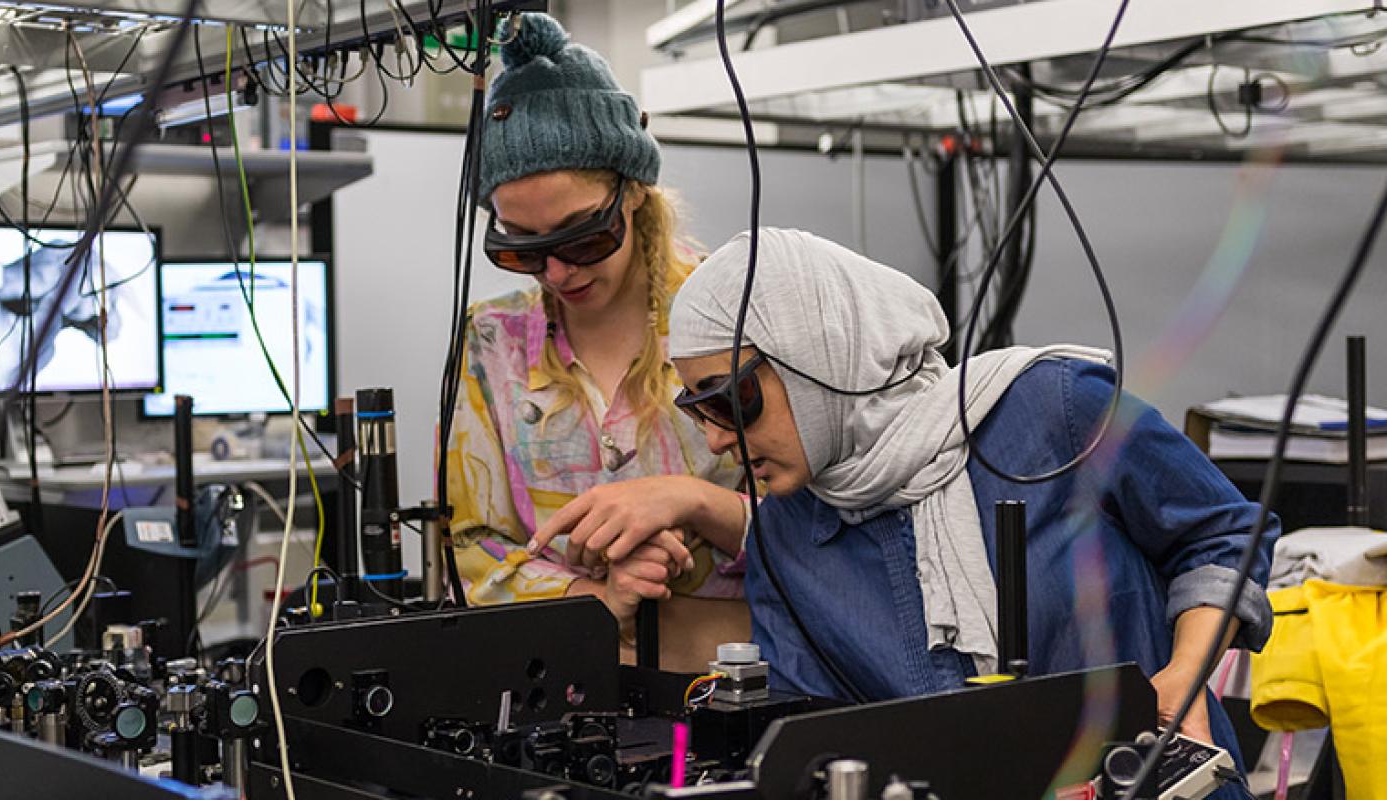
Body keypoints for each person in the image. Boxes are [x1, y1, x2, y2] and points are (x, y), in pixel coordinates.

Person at [534, 228, 1275, 794]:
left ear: (815, 356)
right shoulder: (790, 533)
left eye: (733, 400)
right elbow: (817, 734)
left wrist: (1182, 674)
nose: (721, 438)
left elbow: (1222, 533)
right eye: (700, 412)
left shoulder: (1049, 411)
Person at [444, 12, 747, 668]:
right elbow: (464, 544)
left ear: (634, 193)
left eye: (583, 238)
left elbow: (827, 529)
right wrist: (587, 595)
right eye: (523, 250)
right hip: (567, 682)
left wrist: (695, 504)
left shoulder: (738, 314)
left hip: (746, 679)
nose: (558, 273)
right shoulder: (493, 344)